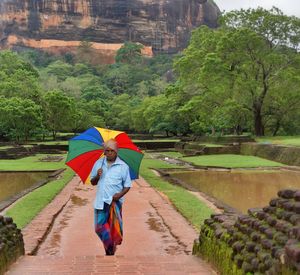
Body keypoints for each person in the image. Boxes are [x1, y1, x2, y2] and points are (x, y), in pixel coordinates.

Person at [90, 139, 132, 255]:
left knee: (114, 228)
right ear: (104, 152)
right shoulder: (98, 164)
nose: (109, 153)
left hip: (115, 202)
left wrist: (120, 195)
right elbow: (93, 182)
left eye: (111, 151)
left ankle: (109, 252)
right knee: (99, 228)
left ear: (116, 151)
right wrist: (97, 176)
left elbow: (127, 185)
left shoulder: (123, 166)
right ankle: (111, 248)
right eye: (107, 151)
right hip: (101, 201)